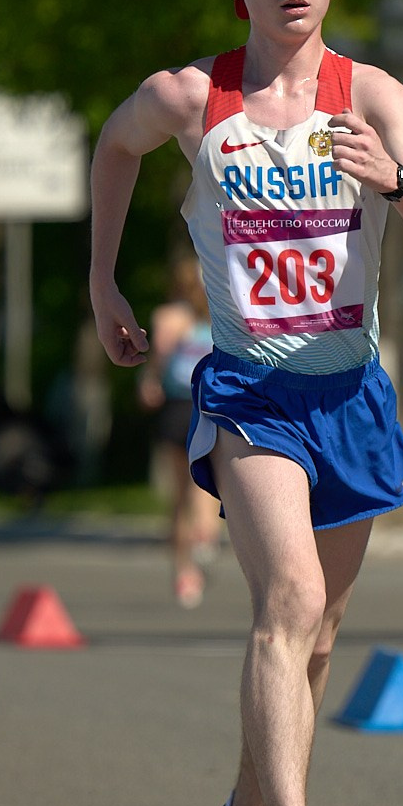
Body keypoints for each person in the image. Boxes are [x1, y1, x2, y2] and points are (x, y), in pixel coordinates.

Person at [87, 0, 403, 806]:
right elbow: (114, 147)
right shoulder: (189, 98)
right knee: (287, 597)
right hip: (251, 390)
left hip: (349, 393)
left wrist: (393, 176)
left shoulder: (373, 95)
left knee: (315, 637)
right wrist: (102, 282)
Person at [140, 252, 220, 608]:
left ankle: (186, 567)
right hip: (203, 404)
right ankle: (203, 542)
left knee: (182, 492)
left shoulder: (171, 317)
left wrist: (149, 381)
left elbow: (157, 361)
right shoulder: (215, 314)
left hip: (184, 405)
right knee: (203, 485)